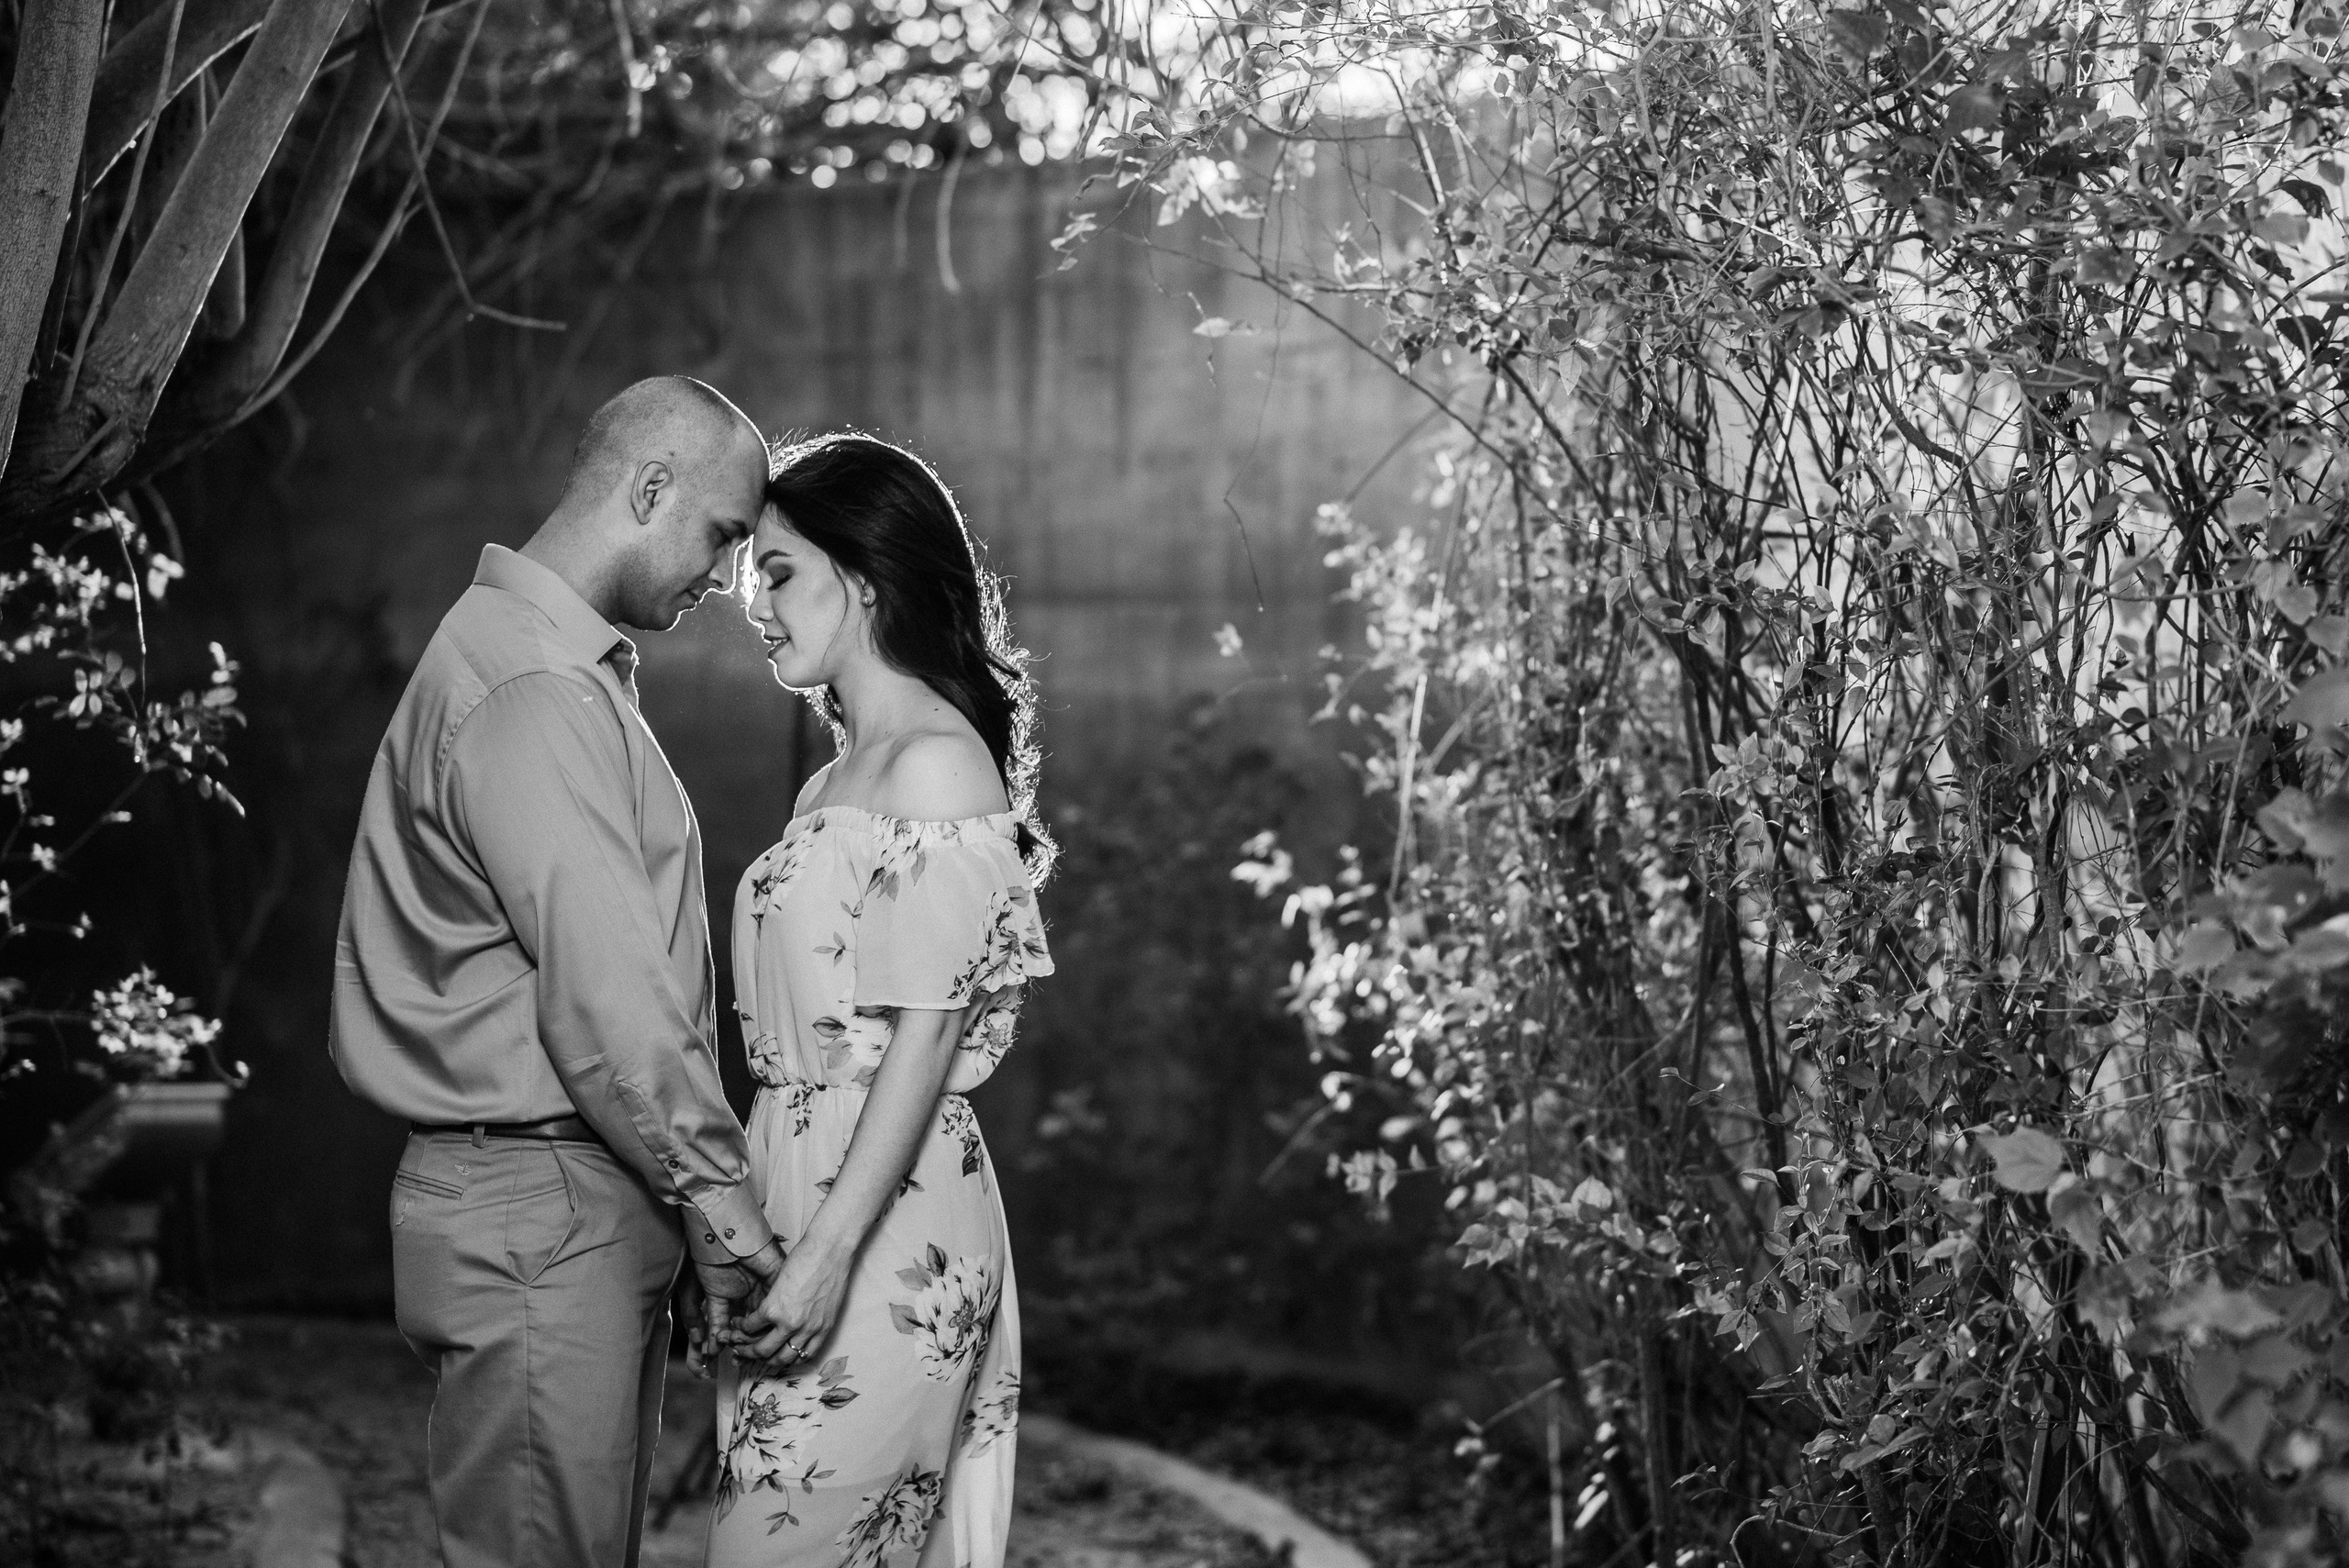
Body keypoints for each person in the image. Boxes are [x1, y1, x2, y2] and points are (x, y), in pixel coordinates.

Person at [329, 375, 789, 1568]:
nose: (731, 576)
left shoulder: (540, 664)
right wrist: (724, 1212)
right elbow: (611, 1002)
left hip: (562, 1201)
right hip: (546, 1210)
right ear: (648, 486)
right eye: (725, 534)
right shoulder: (533, 686)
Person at [706, 433, 1053, 1568]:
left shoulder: (938, 767)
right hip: (797, 1183)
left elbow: (923, 1036)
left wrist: (823, 1254)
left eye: (779, 571)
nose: (753, 601)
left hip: (881, 1221)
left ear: (862, 575)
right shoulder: (828, 779)